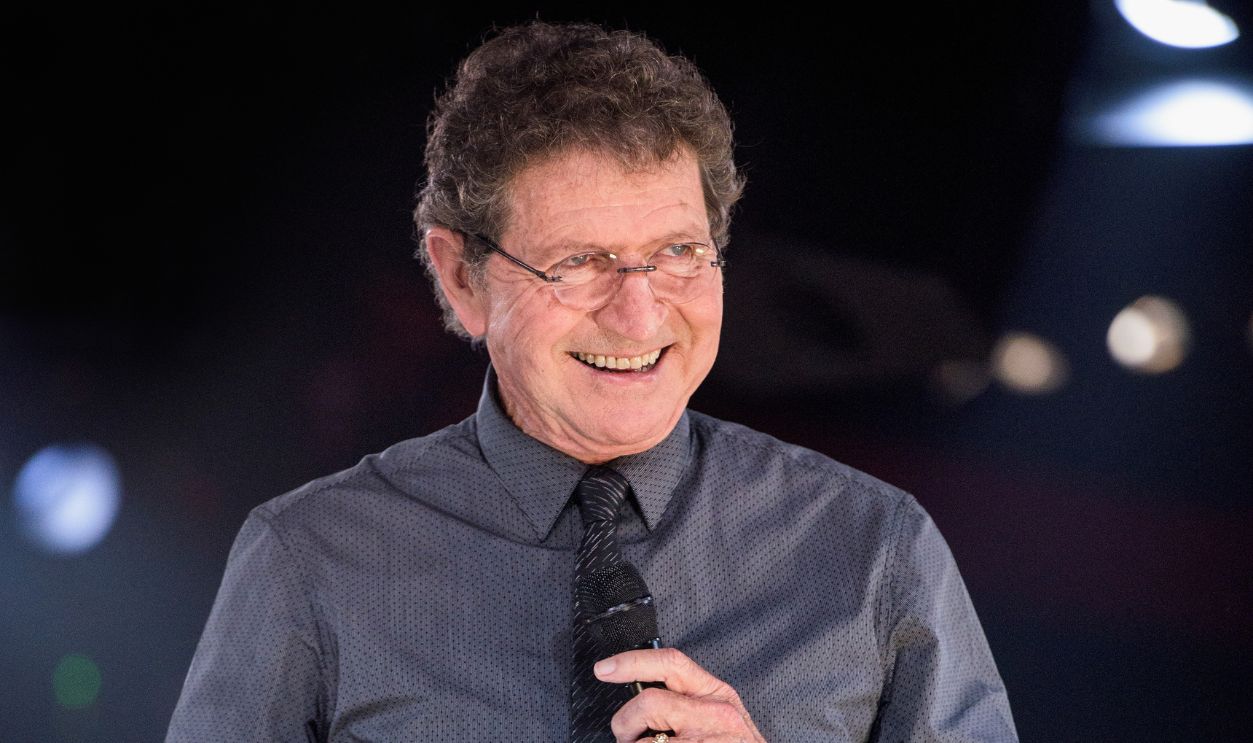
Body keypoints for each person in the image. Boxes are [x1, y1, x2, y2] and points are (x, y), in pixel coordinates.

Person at [167, 21, 1017, 742]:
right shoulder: (309, 559)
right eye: (578, 264)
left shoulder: (874, 549)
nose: (640, 316)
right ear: (461, 279)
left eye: (679, 253)